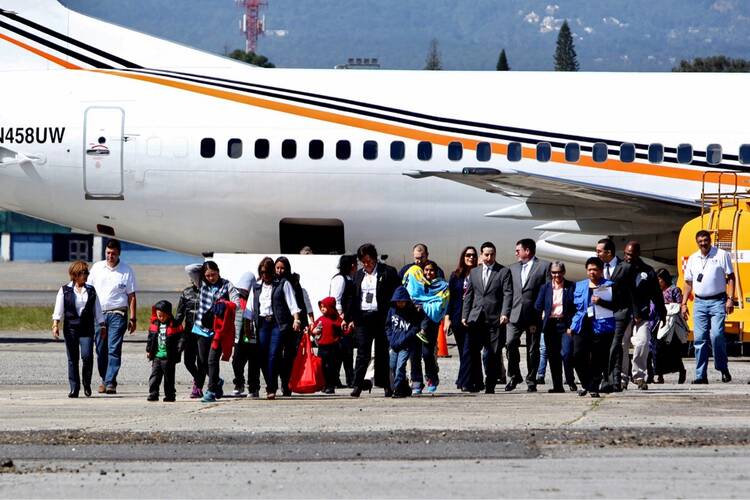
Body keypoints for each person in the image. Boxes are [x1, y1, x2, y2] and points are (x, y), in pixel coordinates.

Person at [346, 243, 401, 398]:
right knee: (362, 352)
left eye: (369, 260)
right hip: (363, 318)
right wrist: (348, 317)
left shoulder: (388, 272)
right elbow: (352, 297)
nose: (366, 264)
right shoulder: (358, 275)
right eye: (363, 261)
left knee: (382, 352)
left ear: (375, 258)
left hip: (381, 317)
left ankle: (385, 386)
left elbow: (397, 292)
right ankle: (357, 385)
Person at [682, 230, 736, 384]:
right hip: (699, 302)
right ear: (697, 242)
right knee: (699, 339)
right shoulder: (693, 258)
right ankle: (701, 375)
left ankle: (722, 367)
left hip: (718, 301)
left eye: (705, 240)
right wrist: (684, 303)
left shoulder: (721, 255)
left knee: (717, 335)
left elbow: (731, 277)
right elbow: (688, 282)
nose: (703, 243)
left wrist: (730, 299)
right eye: (700, 241)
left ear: (710, 240)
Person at [246, 257, 302, 399]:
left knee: (273, 354)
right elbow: (249, 310)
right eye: (262, 272)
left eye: (268, 272)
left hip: (278, 324)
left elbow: (292, 304)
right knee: (263, 355)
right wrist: (247, 328)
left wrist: (296, 320)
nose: (265, 275)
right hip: (262, 324)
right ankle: (272, 382)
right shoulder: (256, 287)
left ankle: (271, 388)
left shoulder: (283, 284)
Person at [462, 241, 513, 394]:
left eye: (492, 254)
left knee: (492, 352)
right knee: (472, 351)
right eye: (486, 254)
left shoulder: (503, 271)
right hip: (476, 318)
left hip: (495, 318)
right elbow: (469, 295)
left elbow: (508, 293)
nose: (489, 257)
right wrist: (465, 315)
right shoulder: (475, 272)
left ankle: (490, 383)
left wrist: (505, 313)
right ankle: (475, 382)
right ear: (481, 254)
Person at [88, 239, 137, 395]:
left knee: (113, 349)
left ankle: (110, 382)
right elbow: (89, 291)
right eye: (108, 253)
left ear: (119, 254)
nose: (110, 256)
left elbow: (132, 296)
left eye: (113, 253)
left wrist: (133, 318)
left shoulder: (126, 271)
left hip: (118, 314)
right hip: (99, 315)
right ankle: (104, 378)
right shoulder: (96, 268)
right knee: (101, 349)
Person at [189, 261, 240, 403]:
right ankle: (217, 382)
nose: (211, 278)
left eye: (213, 274)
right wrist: (204, 266)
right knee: (203, 361)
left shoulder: (227, 285)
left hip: (218, 331)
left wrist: (225, 305)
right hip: (201, 328)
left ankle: (210, 391)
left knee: (212, 360)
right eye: (208, 275)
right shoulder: (201, 283)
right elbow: (189, 269)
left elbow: (236, 303)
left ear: (218, 271)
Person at [52, 261, 104, 398]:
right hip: (71, 329)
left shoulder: (91, 290)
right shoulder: (65, 290)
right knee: (72, 359)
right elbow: (59, 309)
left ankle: (86, 383)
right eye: (83, 273)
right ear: (75, 275)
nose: (86, 275)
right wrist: (55, 324)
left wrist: (102, 324)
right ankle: (74, 388)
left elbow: (97, 309)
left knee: (87, 357)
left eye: (87, 273)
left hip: (86, 328)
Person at [506, 238, 551, 392]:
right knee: (510, 343)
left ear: (527, 251)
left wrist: (545, 310)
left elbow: (548, 290)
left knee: (533, 349)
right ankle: (514, 374)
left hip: (534, 315)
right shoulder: (512, 268)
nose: (516, 253)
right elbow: (508, 292)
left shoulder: (544, 266)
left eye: (518, 250)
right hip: (515, 313)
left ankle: (531, 379)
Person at [620, 241, 666, 390]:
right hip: (624, 314)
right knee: (622, 345)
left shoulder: (648, 271)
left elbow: (657, 295)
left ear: (638, 254)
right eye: (626, 254)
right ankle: (622, 377)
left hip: (642, 315)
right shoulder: (620, 269)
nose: (628, 257)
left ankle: (639, 376)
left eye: (631, 255)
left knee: (642, 343)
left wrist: (662, 312)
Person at [570, 257, 616, 398]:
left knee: (598, 358)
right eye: (589, 269)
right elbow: (572, 307)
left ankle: (594, 386)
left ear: (601, 271)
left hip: (602, 326)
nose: (592, 272)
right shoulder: (579, 285)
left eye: (595, 269)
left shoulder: (610, 285)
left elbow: (617, 306)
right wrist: (570, 325)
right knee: (577, 355)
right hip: (582, 324)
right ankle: (586, 383)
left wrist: (601, 301)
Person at [595, 238, 637, 393]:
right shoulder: (597, 267)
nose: (597, 254)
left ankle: (610, 380)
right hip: (602, 311)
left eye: (599, 251)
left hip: (621, 311)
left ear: (608, 252)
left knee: (614, 345)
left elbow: (633, 291)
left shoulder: (624, 267)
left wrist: (636, 312)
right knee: (611, 346)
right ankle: (614, 381)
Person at [403, 260, 449, 394]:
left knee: (428, 353)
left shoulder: (442, 286)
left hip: (431, 323)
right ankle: (416, 380)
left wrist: (424, 306)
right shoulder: (417, 284)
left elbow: (441, 303)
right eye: (426, 270)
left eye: (431, 270)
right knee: (414, 352)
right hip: (415, 321)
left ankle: (432, 378)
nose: (429, 273)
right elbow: (411, 295)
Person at [534, 261, 576, 393]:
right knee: (553, 356)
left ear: (563, 272)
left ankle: (570, 380)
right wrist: (541, 314)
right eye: (554, 272)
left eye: (559, 272)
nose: (556, 275)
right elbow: (538, 305)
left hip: (565, 324)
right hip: (550, 325)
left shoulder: (571, 286)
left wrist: (572, 325)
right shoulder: (545, 288)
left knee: (567, 353)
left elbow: (576, 307)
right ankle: (558, 385)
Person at [274, 256, 313, 396]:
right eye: (277, 268)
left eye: (282, 268)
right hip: (277, 324)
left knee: (290, 356)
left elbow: (301, 305)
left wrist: (304, 324)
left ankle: (287, 383)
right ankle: (283, 380)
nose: (279, 271)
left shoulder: (293, 284)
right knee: (276, 355)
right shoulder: (273, 282)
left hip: (292, 326)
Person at [444, 246, 478, 391]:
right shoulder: (455, 275)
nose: (471, 258)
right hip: (458, 317)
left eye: (473, 255)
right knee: (463, 351)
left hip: (473, 317)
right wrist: (447, 317)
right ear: (463, 258)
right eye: (468, 255)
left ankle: (465, 382)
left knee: (469, 350)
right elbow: (450, 299)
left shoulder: (478, 274)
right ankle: (467, 380)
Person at [386, 286, 423, 398]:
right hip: (394, 344)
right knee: (392, 366)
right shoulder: (392, 310)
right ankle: (404, 386)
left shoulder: (411, 311)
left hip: (406, 345)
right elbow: (388, 326)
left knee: (400, 367)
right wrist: (390, 338)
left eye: (402, 302)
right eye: (398, 301)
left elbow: (415, 327)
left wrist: (406, 338)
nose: (400, 304)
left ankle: (398, 389)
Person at [653, 268, 687, 384]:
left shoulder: (674, 290)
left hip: (672, 325)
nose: (658, 282)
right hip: (658, 323)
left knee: (673, 351)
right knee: (657, 349)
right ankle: (659, 375)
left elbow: (678, 305)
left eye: (659, 279)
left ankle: (681, 370)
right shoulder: (656, 291)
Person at [146, 300, 183, 402]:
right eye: (159, 315)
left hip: (169, 357)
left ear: (168, 314)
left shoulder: (174, 324)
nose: (160, 318)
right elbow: (150, 339)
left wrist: (179, 348)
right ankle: (153, 393)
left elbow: (181, 337)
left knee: (169, 378)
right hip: (157, 356)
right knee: (154, 376)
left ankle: (170, 395)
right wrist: (149, 350)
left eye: (163, 315)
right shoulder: (154, 324)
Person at [329, 254, 357, 387]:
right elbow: (336, 300)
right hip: (340, 320)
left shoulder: (350, 278)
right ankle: (336, 378)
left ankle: (348, 378)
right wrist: (341, 318)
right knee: (341, 351)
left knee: (347, 351)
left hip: (349, 319)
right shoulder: (340, 279)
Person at [231, 271, 260, 398]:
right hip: (239, 336)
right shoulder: (236, 298)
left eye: (245, 289)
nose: (243, 292)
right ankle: (239, 383)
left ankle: (253, 388)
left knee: (254, 364)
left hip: (253, 336)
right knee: (236, 362)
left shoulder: (257, 298)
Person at [310, 296, 345, 394]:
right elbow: (313, 329)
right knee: (322, 367)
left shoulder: (336, 319)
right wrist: (313, 331)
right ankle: (324, 384)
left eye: (324, 307)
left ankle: (331, 385)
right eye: (321, 307)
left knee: (331, 367)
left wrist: (346, 326)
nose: (322, 309)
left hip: (333, 346)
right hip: (322, 346)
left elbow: (344, 328)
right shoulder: (320, 319)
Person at [175, 273, 201, 398]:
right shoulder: (186, 293)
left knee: (203, 362)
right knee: (188, 362)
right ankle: (203, 379)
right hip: (189, 332)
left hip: (204, 333)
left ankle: (198, 385)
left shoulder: (209, 291)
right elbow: (179, 315)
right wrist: (173, 328)